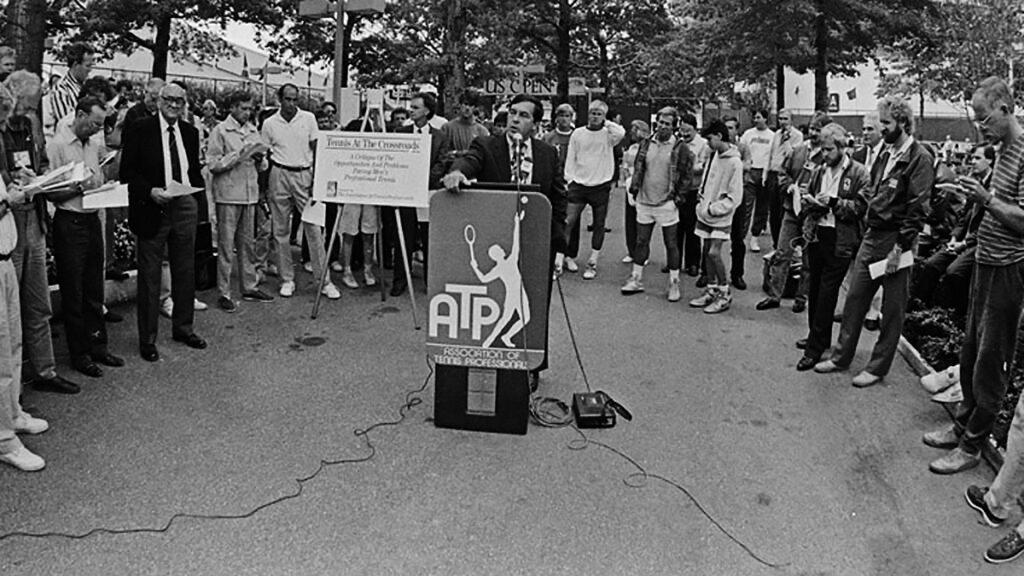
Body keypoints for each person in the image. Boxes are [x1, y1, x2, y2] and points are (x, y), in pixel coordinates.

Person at [923, 77, 1024, 478]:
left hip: (1009, 268)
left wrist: (987, 201)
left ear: (1004, 108)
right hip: (985, 260)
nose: (980, 128)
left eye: (984, 119)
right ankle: (962, 426)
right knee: (970, 351)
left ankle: (972, 446)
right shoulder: (1001, 150)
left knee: (990, 360)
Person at [441, 93, 567, 392]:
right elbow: (468, 161)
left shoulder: (548, 153)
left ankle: (532, 364)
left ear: (535, 124)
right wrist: (457, 172)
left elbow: (559, 201)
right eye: (512, 113)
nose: (515, 119)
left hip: (536, 245)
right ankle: (485, 358)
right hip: (496, 242)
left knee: (535, 307)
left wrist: (560, 248)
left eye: (523, 115)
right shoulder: (486, 145)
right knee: (492, 304)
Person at [814, 95, 934, 387]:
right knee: (855, 298)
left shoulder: (919, 158)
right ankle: (841, 356)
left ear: (902, 123)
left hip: (896, 240)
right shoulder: (885, 153)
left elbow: (918, 209)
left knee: (892, 309)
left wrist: (900, 247)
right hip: (873, 234)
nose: (881, 128)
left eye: (886, 123)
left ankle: (877, 367)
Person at [1, 77, 81, 393]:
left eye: (33, 106)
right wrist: (13, 181)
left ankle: (44, 371)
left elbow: (42, 160)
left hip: (32, 215)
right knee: (10, 310)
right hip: (9, 220)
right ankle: (12, 387)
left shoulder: (31, 123)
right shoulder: (3, 123)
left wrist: (43, 176)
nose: (29, 112)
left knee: (38, 301)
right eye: (26, 105)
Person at [119, 82, 208, 362]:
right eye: (169, 99)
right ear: (159, 101)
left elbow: (194, 171)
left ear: (185, 105)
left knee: (185, 271)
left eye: (180, 101)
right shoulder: (140, 128)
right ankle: (148, 339)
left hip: (184, 206)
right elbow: (127, 172)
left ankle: (183, 328)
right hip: (152, 207)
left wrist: (198, 203)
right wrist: (150, 191)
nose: (174, 105)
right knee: (150, 276)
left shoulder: (190, 133)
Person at [44, 96, 126, 378]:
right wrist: (79, 188)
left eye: (100, 125)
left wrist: (105, 185)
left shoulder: (93, 145)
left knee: (94, 287)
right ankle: (79, 353)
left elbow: (97, 178)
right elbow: (50, 192)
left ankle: (98, 345)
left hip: (92, 218)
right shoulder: (57, 145)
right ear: (78, 115)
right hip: (70, 220)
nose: (95, 130)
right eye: (92, 124)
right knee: (74, 291)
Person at [794, 124, 869, 371]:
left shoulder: (858, 172)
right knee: (814, 288)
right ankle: (817, 335)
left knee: (827, 293)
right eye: (822, 150)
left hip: (841, 238)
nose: (824, 155)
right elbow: (809, 198)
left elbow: (860, 208)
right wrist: (810, 202)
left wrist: (834, 202)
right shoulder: (819, 170)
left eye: (828, 150)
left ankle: (814, 349)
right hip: (818, 234)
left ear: (841, 147)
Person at [261, 83, 339, 300]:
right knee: (281, 231)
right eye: (287, 99)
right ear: (280, 99)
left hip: (304, 174)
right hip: (279, 174)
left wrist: (317, 178)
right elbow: (265, 154)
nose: (291, 104)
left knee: (313, 229)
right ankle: (287, 279)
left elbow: (317, 149)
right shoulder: (269, 124)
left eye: (295, 99)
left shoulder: (308, 118)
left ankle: (324, 281)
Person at [0, 151, 49, 471]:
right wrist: (10, 201)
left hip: (5, 257)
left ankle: (13, 413)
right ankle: (4, 439)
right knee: (2, 353)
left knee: (14, 342)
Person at [206, 90, 275, 312]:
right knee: (226, 245)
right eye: (243, 108)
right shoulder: (221, 131)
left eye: (249, 109)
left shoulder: (253, 130)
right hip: (228, 193)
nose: (247, 113)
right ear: (233, 108)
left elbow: (262, 166)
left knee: (247, 243)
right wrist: (237, 156)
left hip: (249, 193)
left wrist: (260, 158)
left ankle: (249, 285)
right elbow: (213, 164)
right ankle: (224, 291)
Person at [757, 112, 831, 313]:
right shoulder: (798, 151)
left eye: (819, 130)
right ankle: (775, 295)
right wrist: (788, 186)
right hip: (792, 209)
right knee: (782, 252)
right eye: (812, 129)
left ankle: (801, 298)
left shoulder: (827, 156)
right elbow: (783, 173)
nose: (814, 133)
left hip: (811, 214)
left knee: (808, 259)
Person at [621, 107, 693, 302]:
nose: (663, 127)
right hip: (644, 201)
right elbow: (638, 167)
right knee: (641, 241)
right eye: (660, 122)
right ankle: (636, 278)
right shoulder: (645, 144)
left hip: (666, 203)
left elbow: (687, 175)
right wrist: (634, 190)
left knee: (671, 243)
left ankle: (674, 283)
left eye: (667, 124)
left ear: (674, 126)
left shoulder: (680, 148)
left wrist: (678, 198)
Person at [389, 92, 449, 296]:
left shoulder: (440, 136)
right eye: (411, 107)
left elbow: (441, 165)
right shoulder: (400, 133)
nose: (411, 111)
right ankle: (399, 279)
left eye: (415, 107)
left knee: (429, 237)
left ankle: (430, 280)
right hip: (406, 194)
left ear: (427, 111)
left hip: (428, 194)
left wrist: (422, 182)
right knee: (403, 236)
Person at [562, 100, 625, 280]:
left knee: (599, 224)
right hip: (578, 185)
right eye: (592, 113)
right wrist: (570, 179)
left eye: (599, 113)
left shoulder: (609, 135)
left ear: (604, 117)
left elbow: (621, 132)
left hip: (600, 186)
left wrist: (606, 122)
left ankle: (593, 261)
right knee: (568, 222)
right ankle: (562, 258)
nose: (595, 116)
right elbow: (571, 157)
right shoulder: (578, 133)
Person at [687, 119, 742, 314]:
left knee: (714, 253)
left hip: (721, 215)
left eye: (710, 139)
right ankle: (711, 289)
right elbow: (706, 181)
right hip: (705, 213)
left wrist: (714, 208)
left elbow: (735, 196)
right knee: (707, 253)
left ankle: (725, 292)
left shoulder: (735, 162)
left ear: (719, 136)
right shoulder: (713, 156)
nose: (708, 143)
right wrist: (702, 203)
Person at [759, 109, 803, 249]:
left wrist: (787, 141)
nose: (782, 122)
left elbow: (793, 155)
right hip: (773, 174)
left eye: (785, 119)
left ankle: (783, 244)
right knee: (773, 211)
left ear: (791, 120)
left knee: (783, 211)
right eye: (780, 119)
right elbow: (770, 154)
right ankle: (775, 243)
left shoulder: (797, 135)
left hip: (785, 176)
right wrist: (765, 173)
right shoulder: (776, 134)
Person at [542, 103, 578, 269]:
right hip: (555, 182)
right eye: (561, 115)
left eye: (567, 115)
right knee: (556, 219)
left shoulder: (576, 137)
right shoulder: (548, 137)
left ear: (572, 118)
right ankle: (555, 254)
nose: (564, 119)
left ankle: (570, 255)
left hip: (573, 182)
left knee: (573, 220)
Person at [42, 42, 94, 137]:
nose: (90, 69)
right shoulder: (61, 90)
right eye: (87, 66)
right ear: (76, 64)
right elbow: (68, 126)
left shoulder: (88, 87)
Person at [740, 110, 773, 255]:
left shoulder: (772, 136)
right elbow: (741, 149)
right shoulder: (748, 134)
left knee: (762, 207)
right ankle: (740, 238)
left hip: (765, 173)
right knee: (746, 206)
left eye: (759, 117)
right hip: (750, 172)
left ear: (765, 119)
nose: (756, 119)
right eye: (755, 117)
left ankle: (755, 236)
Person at [725, 114, 752, 289]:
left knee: (738, 237)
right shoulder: (716, 147)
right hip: (720, 194)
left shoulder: (742, 147)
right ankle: (707, 273)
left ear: (737, 129)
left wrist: (735, 164)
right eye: (725, 127)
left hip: (738, 195)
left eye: (731, 127)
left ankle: (737, 274)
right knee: (712, 236)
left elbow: (748, 165)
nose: (728, 131)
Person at [619, 120, 649, 264]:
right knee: (630, 219)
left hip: (643, 186)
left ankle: (643, 252)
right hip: (630, 185)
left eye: (634, 129)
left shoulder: (649, 147)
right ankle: (631, 251)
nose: (632, 132)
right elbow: (625, 165)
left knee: (642, 220)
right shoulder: (631, 147)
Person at [441, 90, 488, 156]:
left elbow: (484, 155)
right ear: (460, 105)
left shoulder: (482, 132)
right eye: (465, 104)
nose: (467, 108)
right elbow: (443, 153)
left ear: (475, 108)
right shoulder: (447, 128)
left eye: (471, 105)